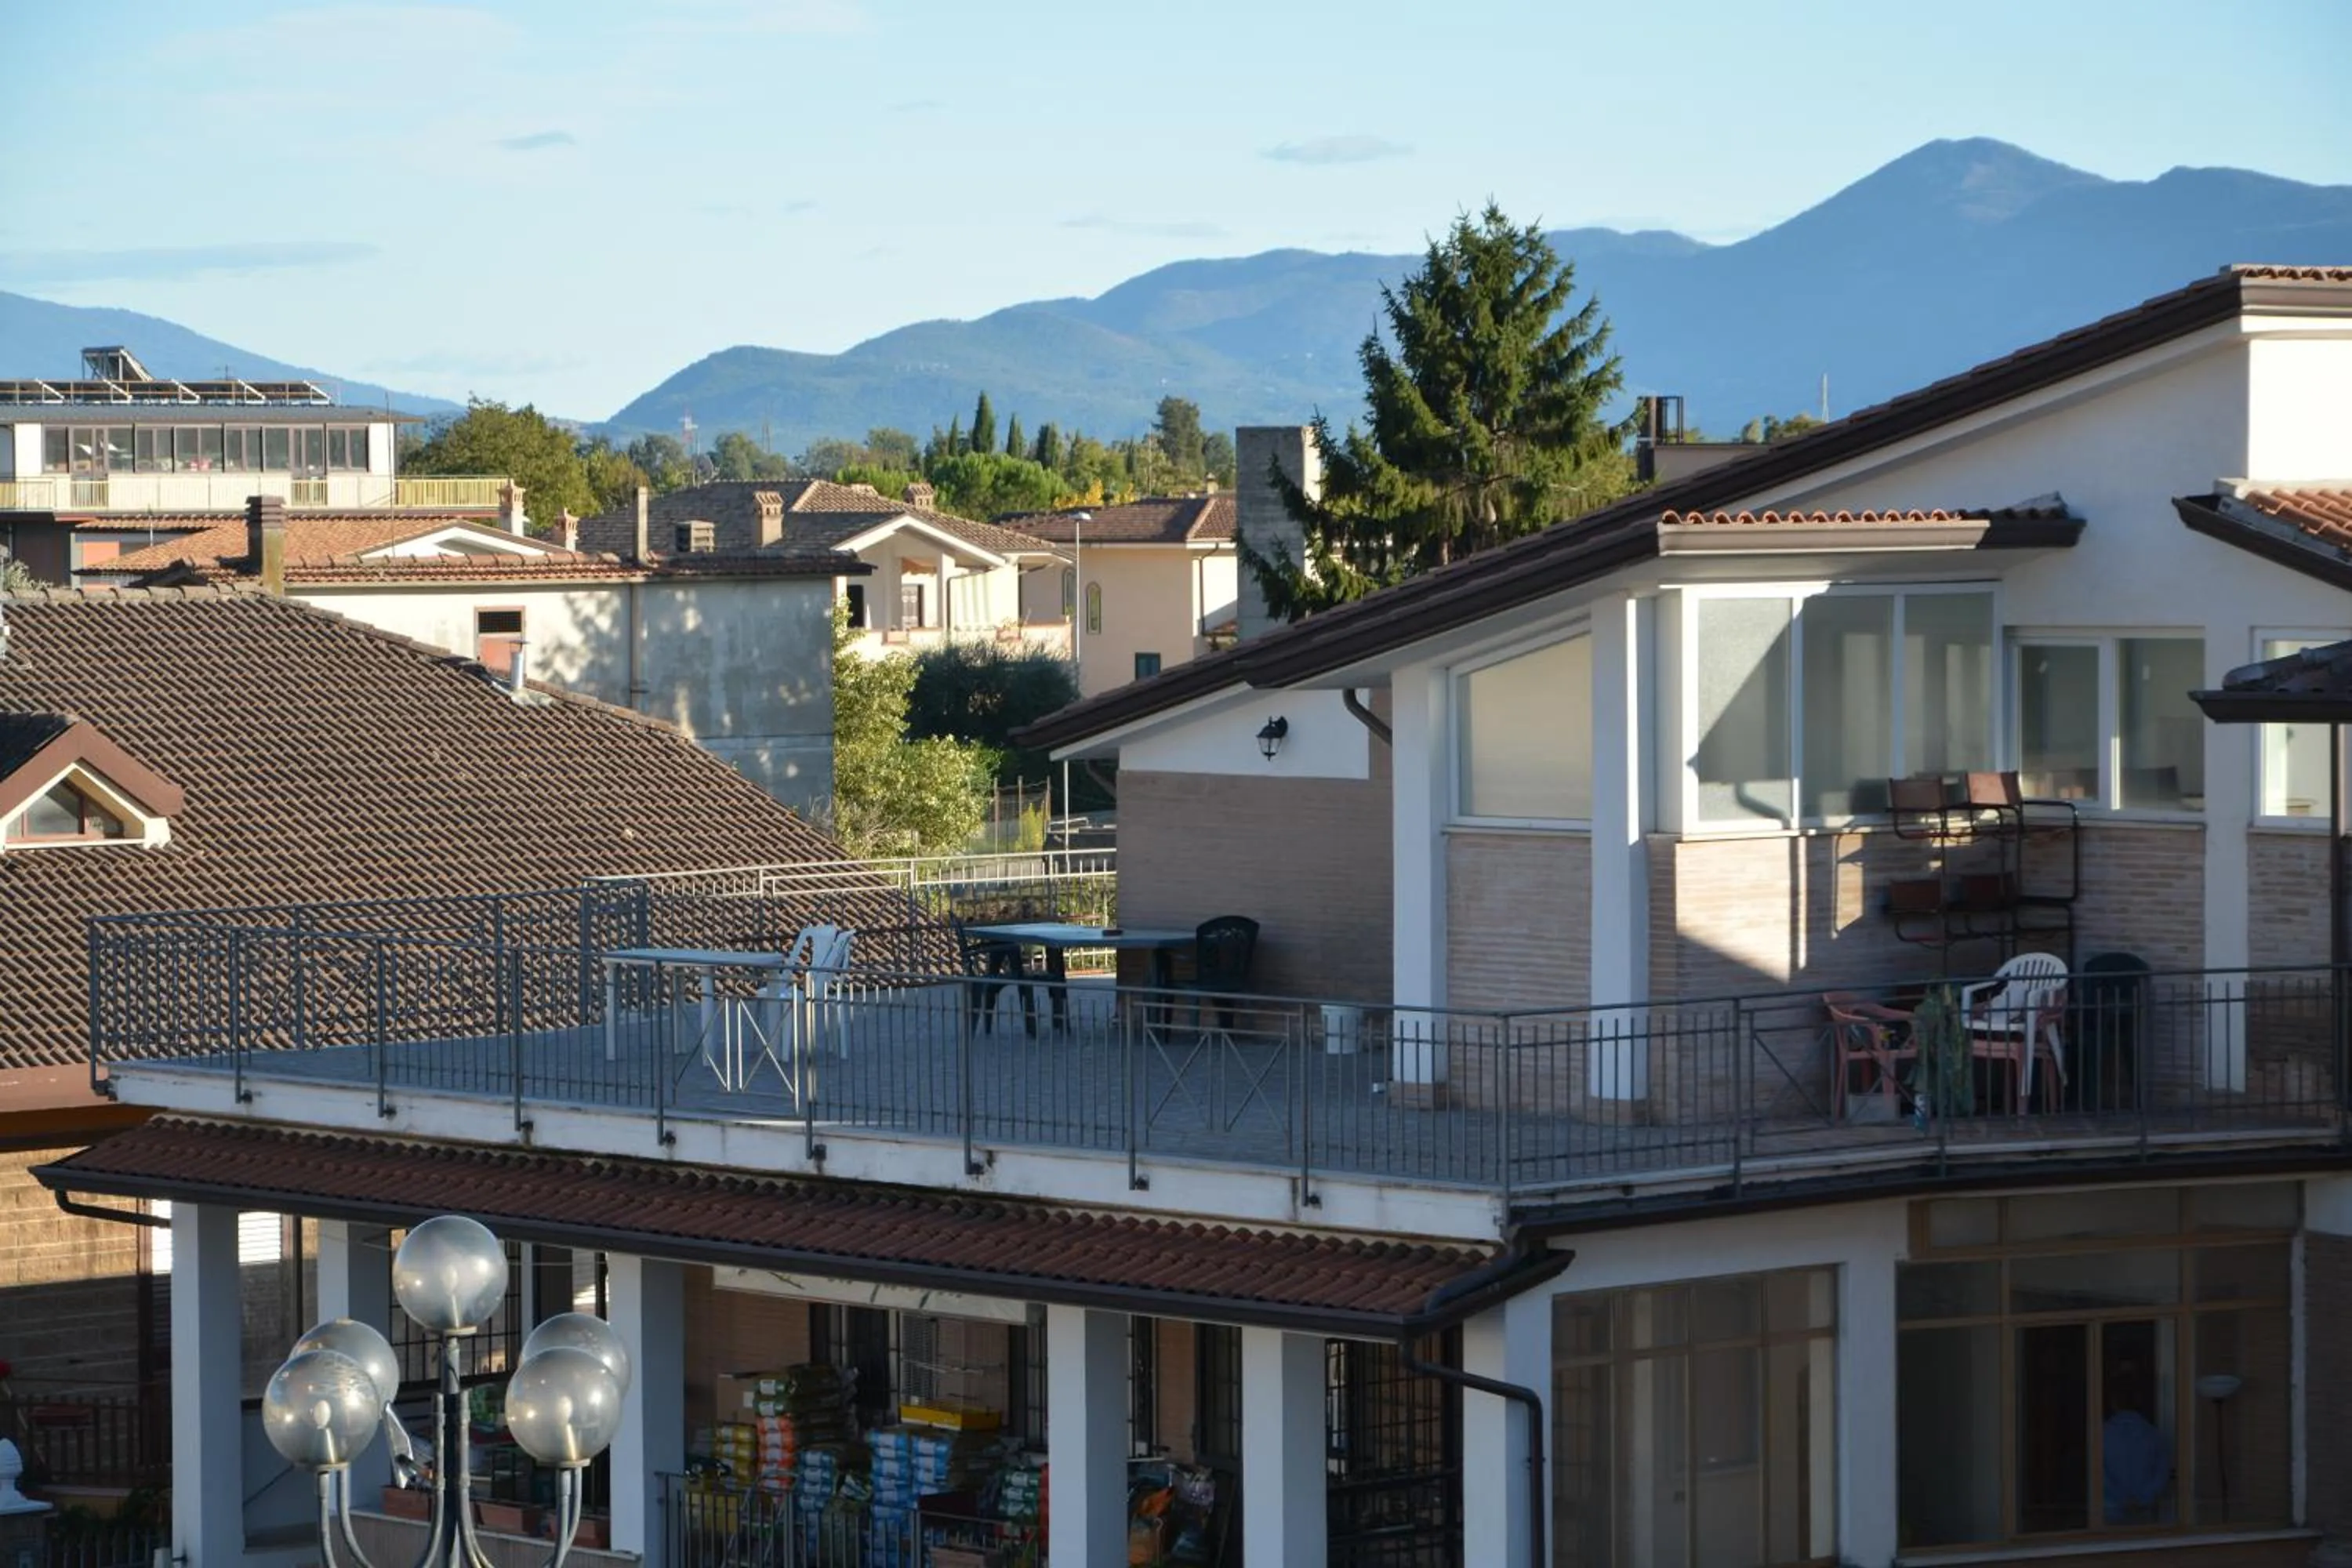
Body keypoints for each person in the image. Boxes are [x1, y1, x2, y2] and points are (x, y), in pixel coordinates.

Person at [2103, 1367, 2172, 1524]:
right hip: (2145, 1512)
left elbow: (2099, 1474)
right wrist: (2143, 1497)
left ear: (2113, 1401)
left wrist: (2121, 1498)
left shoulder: (2101, 1435)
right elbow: (2162, 1472)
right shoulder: (2154, 1435)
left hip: (2111, 1513)